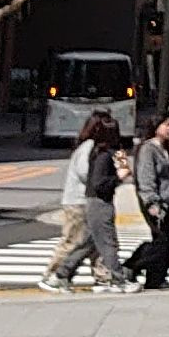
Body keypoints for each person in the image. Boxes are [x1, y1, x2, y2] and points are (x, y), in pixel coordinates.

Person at [44, 112, 130, 293]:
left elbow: (119, 169)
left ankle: (74, 275)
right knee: (77, 240)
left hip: (87, 199)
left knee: (91, 241)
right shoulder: (92, 148)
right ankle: (54, 275)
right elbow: (90, 175)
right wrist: (116, 175)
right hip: (79, 200)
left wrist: (119, 163)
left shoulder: (104, 149)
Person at [127, 118, 169, 289]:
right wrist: (151, 201)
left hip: (165, 201)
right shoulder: (148, 149)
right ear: (156, 127)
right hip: (154, 201)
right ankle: (131, 265)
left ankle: (156, 278)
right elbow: (146, 176)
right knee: (161, 242)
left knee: (165, 241)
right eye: (166, 125)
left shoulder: (165, 147)